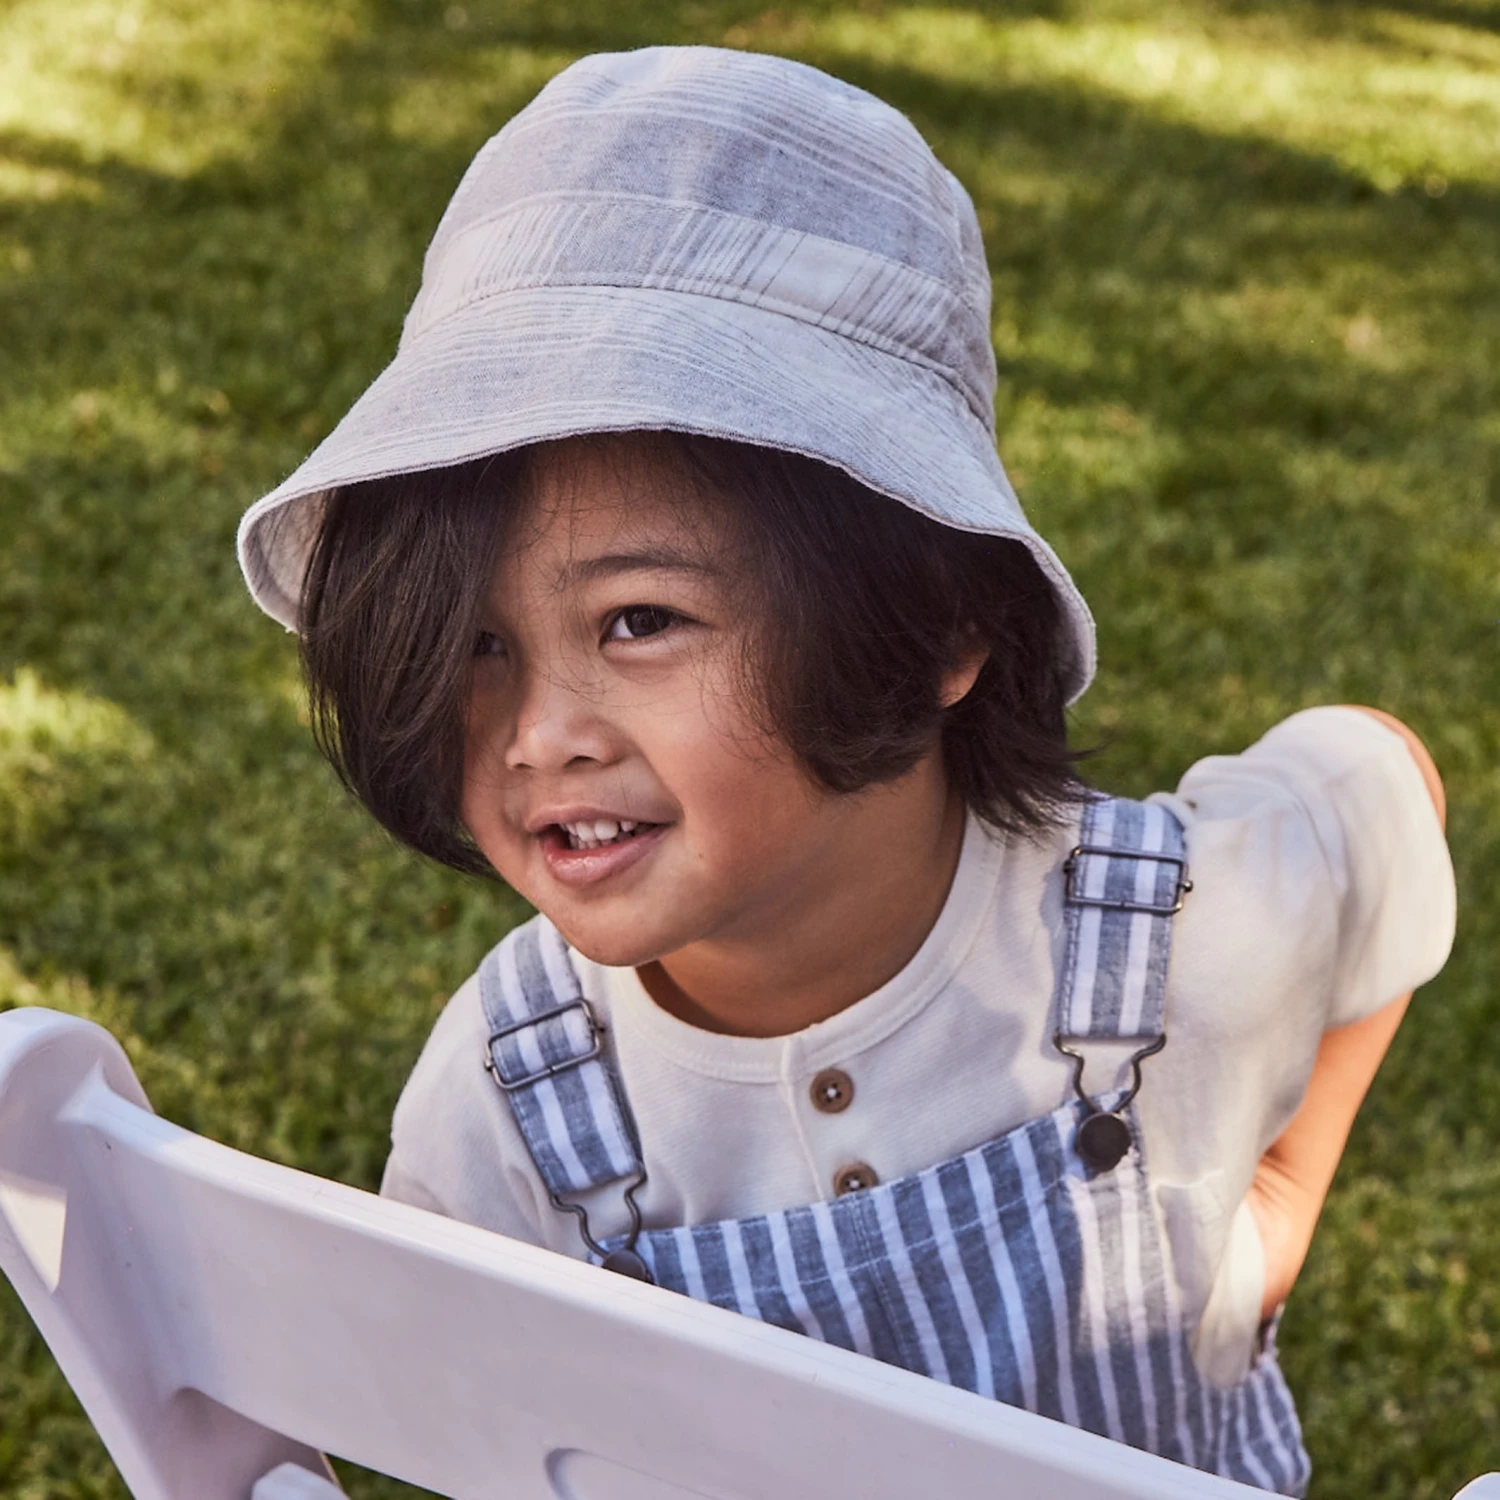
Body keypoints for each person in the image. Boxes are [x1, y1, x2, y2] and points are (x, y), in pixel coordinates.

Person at [234, 46, 1454, 1495]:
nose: (536, 731)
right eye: (478, 642)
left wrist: (1279, 1199)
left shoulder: (1181, 926)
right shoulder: (509, 1108)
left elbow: (1380, 783)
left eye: (640, 621)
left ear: (935, 624)